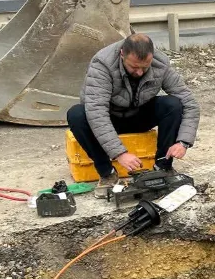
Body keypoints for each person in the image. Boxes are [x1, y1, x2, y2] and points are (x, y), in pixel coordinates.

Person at [67, 33, 200, 196]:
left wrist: (183, 142)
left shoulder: (160, 63)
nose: (139, 72)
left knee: (172, 104)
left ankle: (163, 167)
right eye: (134, 67)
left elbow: (189, 102)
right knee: (76, 114)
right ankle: (107, 173)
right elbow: (97, 112)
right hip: (110, 117)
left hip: (138, 115)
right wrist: (120, 153)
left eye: (145, 67)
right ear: (122, 53)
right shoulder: (102, 64)